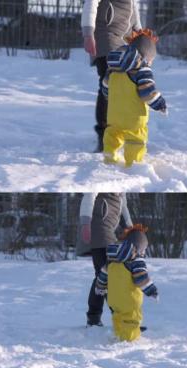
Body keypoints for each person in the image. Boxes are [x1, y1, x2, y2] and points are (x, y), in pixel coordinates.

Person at [81, 0, 143, 152]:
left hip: (125, 38)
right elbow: (90, 4)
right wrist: (88, 34)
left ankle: (119, 131)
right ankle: (104, 134)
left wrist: (141, 36)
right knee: (109, 82)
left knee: (126, 85)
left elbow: (134, 8)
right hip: (104, 35)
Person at [101, 29, 167, 167]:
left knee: (113, 134)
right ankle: (133, 163)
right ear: (146, 57)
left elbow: (106, 88)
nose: (151, 63)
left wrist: (111, 99)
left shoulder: (113, 70)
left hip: (114, 115)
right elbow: (148, 92)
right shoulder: (142, 71)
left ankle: (109, 156)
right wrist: (160, 104)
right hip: (133, 118)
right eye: (151, 60)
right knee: (136, 139)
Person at [95, 225, 158, 341]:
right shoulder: (136, 260)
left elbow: (103, 275)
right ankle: (129, 339)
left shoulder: (112, 259)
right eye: (144, 249)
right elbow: (141, 278)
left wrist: (100, 287)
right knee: (131, 318)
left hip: (113, 298)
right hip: (129, 299)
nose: (144, 252)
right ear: (139, 247)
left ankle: (119, 333)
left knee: (118, 315)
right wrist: (151, 290)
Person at [79, 193, 133, 327]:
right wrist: (86, 223)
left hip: (109, 229)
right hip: (98, 228)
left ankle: (94, 318)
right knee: (108, 275)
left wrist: (130, 226)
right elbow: (89, 196)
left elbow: (123, 203)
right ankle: (119, 317)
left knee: (103, 275)